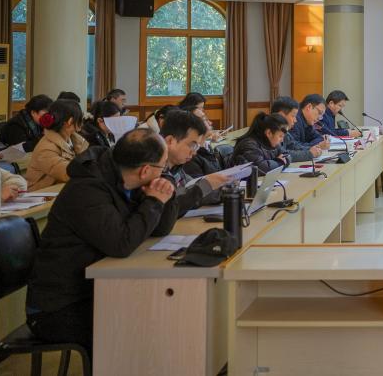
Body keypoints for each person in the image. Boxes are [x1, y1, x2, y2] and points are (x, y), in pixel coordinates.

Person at [26, 129, 178, 355]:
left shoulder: (127, 178)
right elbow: (121, 244)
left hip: (92, 290)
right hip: (57, 306)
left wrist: (165, 189)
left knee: (159, 312)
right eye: (163, 167)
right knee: (143, 324)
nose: (164, 172)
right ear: (145, 170)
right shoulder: (87, 189)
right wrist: (154, 202)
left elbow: (160, 229)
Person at [159, 109, 233, 215]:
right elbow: (171, 205)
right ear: (170, 141)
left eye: (197, 147)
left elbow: (190, 188)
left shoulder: (176, 167)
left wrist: (225, 189)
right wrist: (206, 185)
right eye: (192, 145)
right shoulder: (154, 169)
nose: (194, 152)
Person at [26, 99, 90, 192]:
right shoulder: (46, 148)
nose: (82, 122)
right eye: (80, 118)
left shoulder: (74, 139)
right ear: (70, 121)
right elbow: (69, 172)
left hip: (62, 190)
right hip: (41, 195)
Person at [272, 96, 323, 162]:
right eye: (293, 116)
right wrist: (309, 154)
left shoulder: (284, 131)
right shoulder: (271, 131)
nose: (295, 120)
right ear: (281, 115)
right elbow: (283, 154)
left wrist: (312, 149)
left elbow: (294, 146)